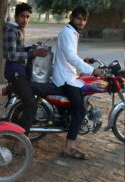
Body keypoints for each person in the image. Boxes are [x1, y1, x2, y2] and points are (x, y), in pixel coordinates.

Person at [52, 6, 102, 160]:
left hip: (68, 75)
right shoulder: (68, 32)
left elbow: (71, 55)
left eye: (84, 19)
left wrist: (83, 62)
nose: (82, 22)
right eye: (79, 18)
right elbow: (71, 57)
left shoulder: (72, 32)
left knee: (81, 98)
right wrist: (92, 70)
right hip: (64, 78)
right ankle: (68, 148)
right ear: (72, 17)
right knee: (79, 110)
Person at [2, 3, 48, 135]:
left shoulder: (19, 29)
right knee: (31, 104)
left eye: (28, 17)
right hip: (14, 72)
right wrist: (33, 53)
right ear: (16, 17)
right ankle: (20, 138)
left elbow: (18, 50)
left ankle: (14, 127)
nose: (25, 20)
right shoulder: (11, 30)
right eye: (22, 16)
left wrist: (31, 48)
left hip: (20, 70)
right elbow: (11, 55)